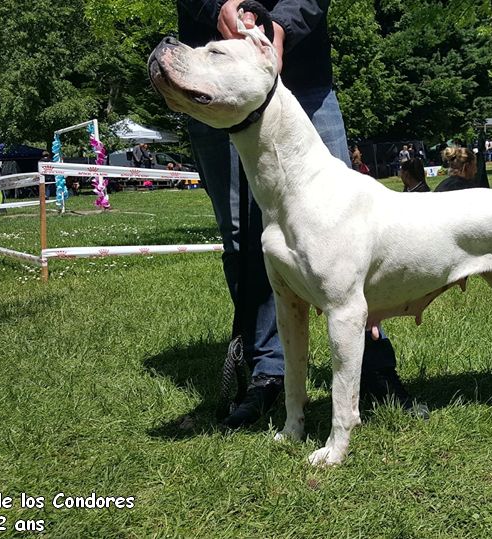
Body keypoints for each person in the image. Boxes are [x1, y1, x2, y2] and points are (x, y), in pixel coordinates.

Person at [178, 0, 423, 428]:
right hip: (214, 74)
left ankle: (374, 369)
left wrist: (280, 25)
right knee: (241, 237)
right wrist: (217, 8)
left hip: (304, 73)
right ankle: (268, 372)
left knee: (345, 229)